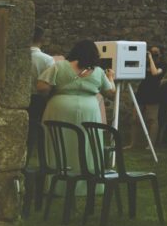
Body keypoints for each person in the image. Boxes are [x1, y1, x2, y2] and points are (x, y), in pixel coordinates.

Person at [37, 39, 114, 196]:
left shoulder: (59, 66)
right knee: (87, 144)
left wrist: (51, 93)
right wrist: (111, 77)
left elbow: (42, 86)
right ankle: (87, 185)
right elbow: (111, 93)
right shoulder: (98, 71)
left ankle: (57, 184)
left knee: (58, 143)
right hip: (89, 111)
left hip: (60, 108)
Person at [27, 27, 54, 165]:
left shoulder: (20, 57)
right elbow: (52, 84)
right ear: (42, 40)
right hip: (40, 99)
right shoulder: (47, 60)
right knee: (39, 132)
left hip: (22, 97)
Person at [136, 41, 167, 147]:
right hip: (142, 91)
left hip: (154, 92)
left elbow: (155, 73)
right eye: (151, 52)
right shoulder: (144, 63)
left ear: (160, 54)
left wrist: (150, 59)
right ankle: (134, 143)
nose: (153, 54)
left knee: (152, 119)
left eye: (155, 53)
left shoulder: (163, 64)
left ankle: (151, 144)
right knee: (135, 118)